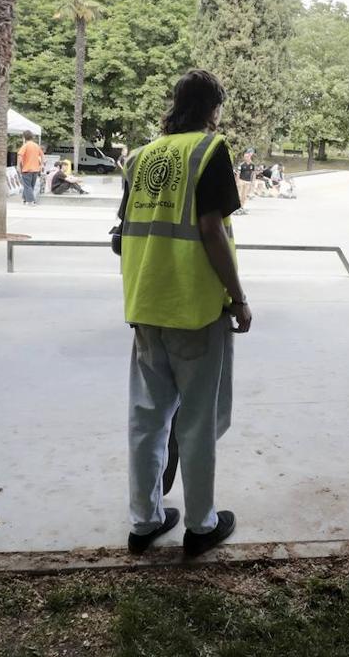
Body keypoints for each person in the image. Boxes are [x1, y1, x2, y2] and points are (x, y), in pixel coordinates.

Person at [117, 69, 250, 557]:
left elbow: (122, 234)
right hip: (194, 308)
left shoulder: (141, 157)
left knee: (147, 419)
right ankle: (200, 524)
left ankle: (145, 520)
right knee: (197, 420)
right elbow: (212, 230)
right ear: (214, 109)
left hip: (146, 304)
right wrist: (238, 296)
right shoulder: (210, 150)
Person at [17, 131, 44, 205]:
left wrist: (18, 166)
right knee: (30, 186)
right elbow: (42, 155)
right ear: (32, 137)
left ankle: (31, 201)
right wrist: (41, 165)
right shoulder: (36, 146)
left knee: (27, 186)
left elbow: (19, 155)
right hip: (36, 169)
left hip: (27, 169)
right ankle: (24, 199)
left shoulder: (25, 145)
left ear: (24, 137)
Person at [236, 149, 256, 214]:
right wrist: (237, 181)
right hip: (241, 181)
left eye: (247, 157)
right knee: (239, 194)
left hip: (248, 182)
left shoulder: (252, 165)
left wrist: (252, 182)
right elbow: (238, 174)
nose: (245, 158)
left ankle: (242, 207)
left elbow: (253, 174)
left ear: (249, 157)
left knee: (244, 195)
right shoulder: (241, 165)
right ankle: (237, 207)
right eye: (245, 157)